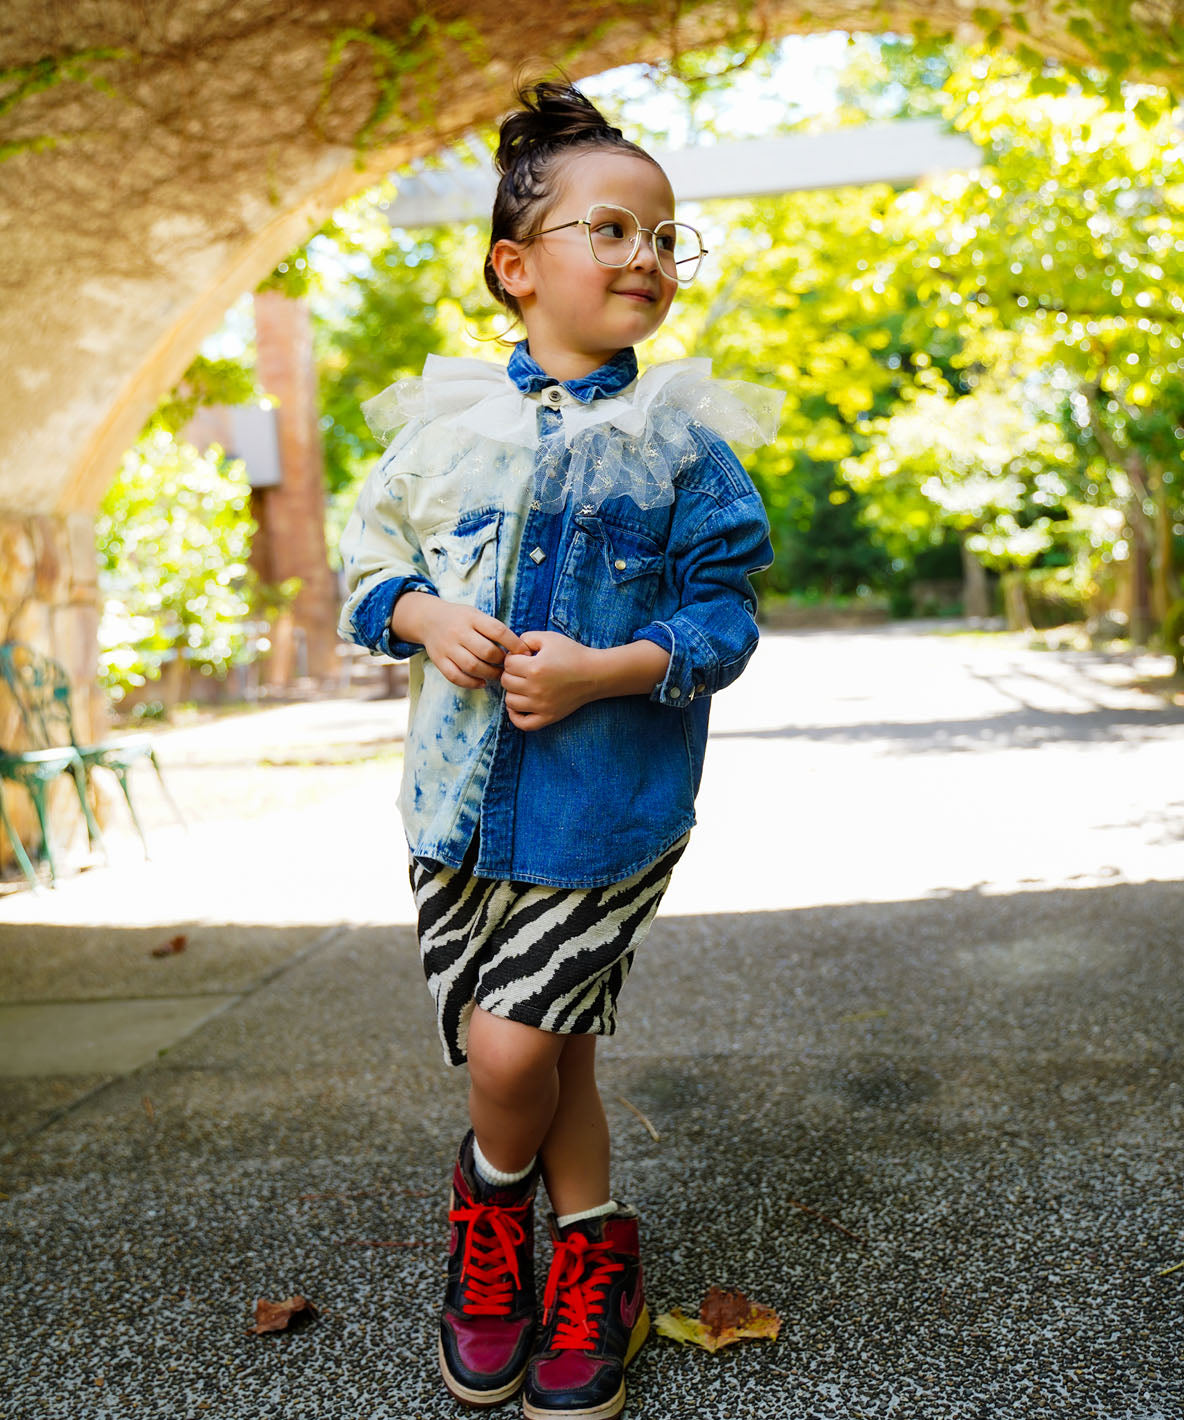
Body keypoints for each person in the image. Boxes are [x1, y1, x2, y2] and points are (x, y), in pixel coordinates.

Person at [338, 78, 782, 1420]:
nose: (647, 256)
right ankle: (596, 1258)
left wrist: (610, 666)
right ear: (517, 267)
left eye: (664, 236)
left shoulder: (689, 450)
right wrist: (421, 613)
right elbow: (367, 572)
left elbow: (724, 614)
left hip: (605, 812)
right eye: (613, 229)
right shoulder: (438, 433)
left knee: (512, 1052)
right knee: (554, 1047)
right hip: (454, 812)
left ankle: (487, 1221)